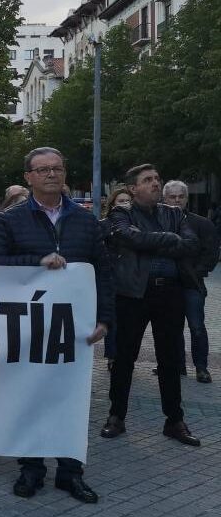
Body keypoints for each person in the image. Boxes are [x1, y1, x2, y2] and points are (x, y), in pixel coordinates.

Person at [0, 147, 114, 504]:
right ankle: (31, 468)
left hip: (75, 328)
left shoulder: (87, 221)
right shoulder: (8, 221)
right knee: (30, 398)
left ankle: (71, 473)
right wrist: (37, 262)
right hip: (29, 328)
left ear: (65, 173)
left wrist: (105, 318)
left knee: (71, 401)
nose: (51, 175)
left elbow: (102, 271)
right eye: (42, 170)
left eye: (57, 168)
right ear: (28, 177)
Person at [101, 164, 201, 448]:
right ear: (132, 189)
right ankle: (116, 416)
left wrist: (149, 242)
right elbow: (128, 237)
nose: (156, 183)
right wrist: (169, 239)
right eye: (148, 180)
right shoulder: (122, 213)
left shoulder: (174, 213)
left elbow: (192, 244)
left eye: (157, 179)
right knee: (124, 358)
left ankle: (174, 421)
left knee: (170, 359)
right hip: (133, 294)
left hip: (170, 295)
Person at [162, 180, 219, 383]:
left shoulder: (202, 223)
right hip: (167, 284)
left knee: (196, 326)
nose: (177, 200)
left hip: (192, 284)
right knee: (171, 327)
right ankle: (176, 365)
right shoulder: (158, 221)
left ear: (186, 198)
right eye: (172, 196)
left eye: (181, 196)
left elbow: (211, 253)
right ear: (165, 198)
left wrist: (196, 272)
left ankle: (201, 367)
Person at [100, 187, 133, 368]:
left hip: (131, 279)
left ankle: (126, 356)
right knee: (112, 320)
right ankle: (113, 357)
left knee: (128, 321)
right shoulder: (104, 224)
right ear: (112, 205)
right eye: (121, 201)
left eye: (128, 201)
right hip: (111, 278)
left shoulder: (137, 225)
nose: (125, 205)